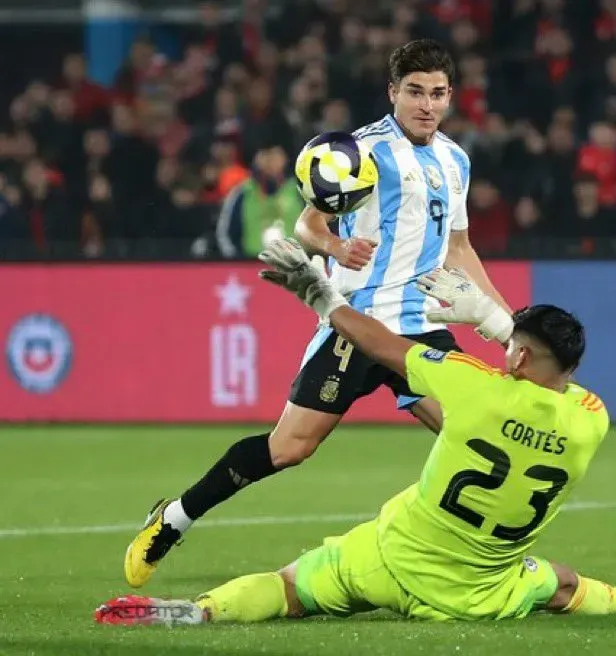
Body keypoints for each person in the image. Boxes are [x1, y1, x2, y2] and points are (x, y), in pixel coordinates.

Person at [97, 241, 616, 625]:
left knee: (290, 587)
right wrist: (496, 324)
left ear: (521, 357)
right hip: (479, 593)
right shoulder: (591, 419)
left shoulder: (475, 387)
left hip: (390, 556)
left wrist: (321, 296)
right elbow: (551, 381)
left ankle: (198, 612)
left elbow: (390, 343)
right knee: (563, 583)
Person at [124, 39, 509, 588]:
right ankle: (173, 518)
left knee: (473, 439)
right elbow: (307, 225)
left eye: (438, 94)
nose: (427, 105)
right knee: (288, 449)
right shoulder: (360, 152)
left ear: (451, 97)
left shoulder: (455, 160)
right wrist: (334, 247)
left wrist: (508, 322)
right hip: (356, 321)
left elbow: (460, 248)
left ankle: (470, 563)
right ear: (393, 92)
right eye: (416, 92)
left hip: (422, 327)